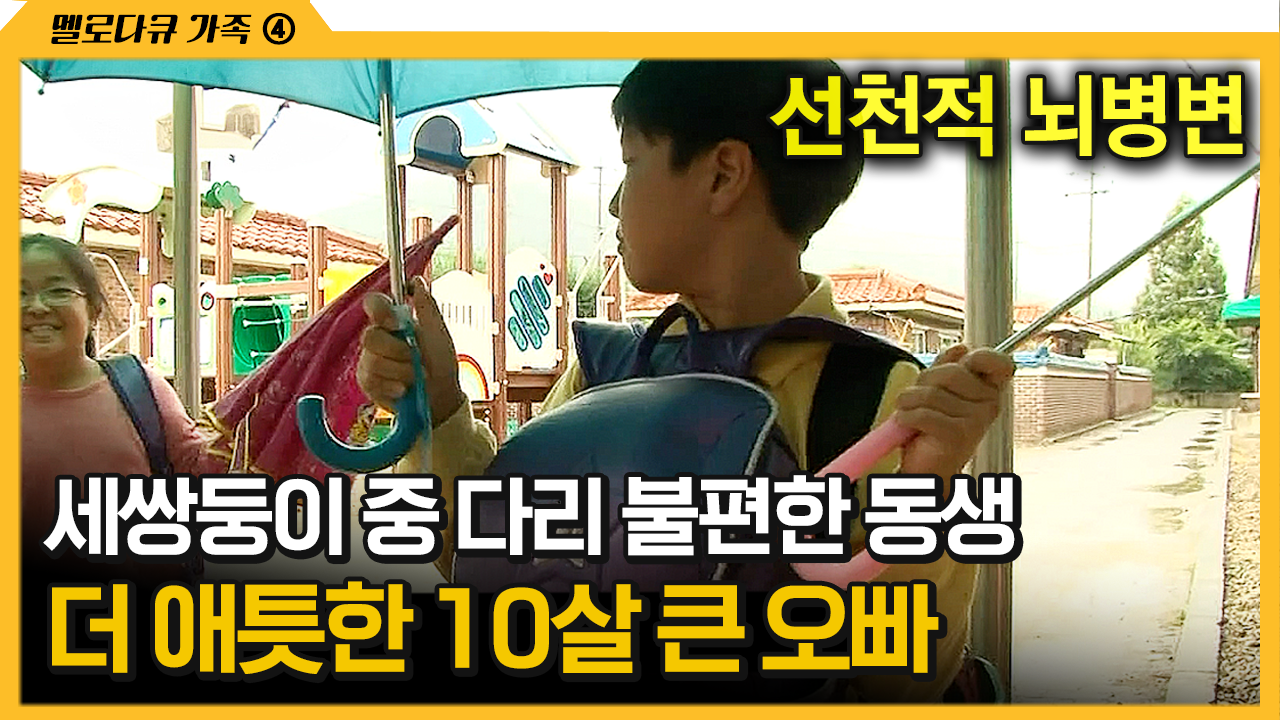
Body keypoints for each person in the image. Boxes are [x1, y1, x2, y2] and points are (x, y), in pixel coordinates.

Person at [356, 60, 1015, 702]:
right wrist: (440, 405)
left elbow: (900, 680)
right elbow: (488, 567)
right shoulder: (606, 370)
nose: (615, 201)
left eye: (632, 162)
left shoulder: (884, 400)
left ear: (723, 174)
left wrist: (927, 487)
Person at [21, 232, 227, 588]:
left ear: (94, 310)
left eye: (57, 290)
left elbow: (206, 469)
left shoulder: (139, 388)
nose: (37, 306)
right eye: (18, 293)